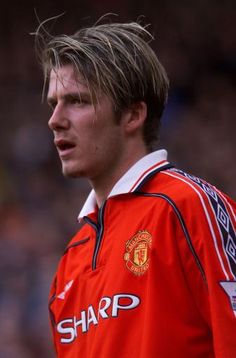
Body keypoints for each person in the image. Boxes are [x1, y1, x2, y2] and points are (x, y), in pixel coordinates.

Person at [35, 17, 236, 357]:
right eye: (55, 103)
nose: (55, 119)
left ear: (132, 115)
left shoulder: (189, 206)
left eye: (78, 101)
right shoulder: (70, 262)